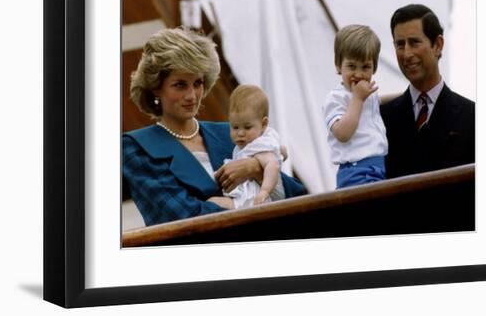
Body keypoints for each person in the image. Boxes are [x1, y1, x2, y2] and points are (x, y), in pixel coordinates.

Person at [123, 27, 306, 226]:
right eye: (180, 85)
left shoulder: (233, 132)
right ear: (156, 87)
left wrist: (254, 168)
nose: (192, 96)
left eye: (198, 83)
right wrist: (247, 205)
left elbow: (296, 196)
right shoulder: (136, 148)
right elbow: (185, 218)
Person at [380, 3, 475, 178]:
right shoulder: (380, 119)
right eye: (400, 45)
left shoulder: (473, 117)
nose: (407, 54)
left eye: (414, 42)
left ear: (437, 45)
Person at [322, 25, 388, 188]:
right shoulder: (336, 98)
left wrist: (407, 95)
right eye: (352, 66)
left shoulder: (367, 95)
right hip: (356, 171)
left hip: (377, 167)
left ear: (374, 68)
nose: (358, 74)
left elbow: (379, 102)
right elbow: (342, 133)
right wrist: (357, 99)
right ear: (338, 65)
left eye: (365, 67)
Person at [224, 84, 283, 208]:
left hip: (256, 198)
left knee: (213, 203)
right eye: (235, 127)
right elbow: (282, 151)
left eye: (247, 127)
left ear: (263, 124)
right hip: (246, 195)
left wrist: (264, 191)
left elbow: (273, 164)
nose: (240, 133)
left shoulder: (259, 145)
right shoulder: (252, 143)